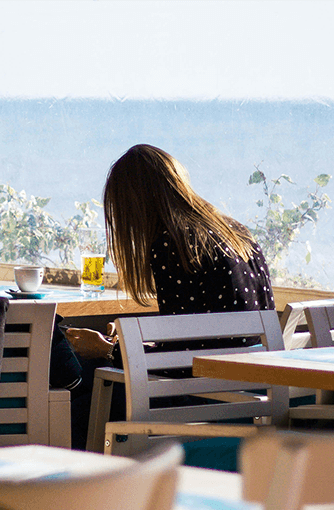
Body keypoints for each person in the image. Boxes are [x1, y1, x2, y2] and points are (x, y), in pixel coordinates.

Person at [63, 144, 275, 448]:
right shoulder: (235, 232)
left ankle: (89, 481)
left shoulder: (173, 243)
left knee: (78, 384)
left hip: (205, 392)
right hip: (250, 383)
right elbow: (199, 337)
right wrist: (127, 344)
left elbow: (180, 362)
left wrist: (108, 352)